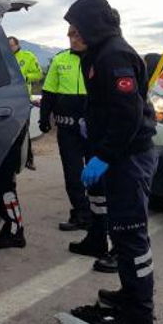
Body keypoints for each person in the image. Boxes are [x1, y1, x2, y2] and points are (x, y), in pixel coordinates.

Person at [65, 0, 158, 324]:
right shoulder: (97, 54)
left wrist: (102, 156)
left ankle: (138, 313)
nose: (70, 36)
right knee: (121, 234)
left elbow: (127, 113)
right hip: (120, 156)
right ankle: (130, 294)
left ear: (92, 26)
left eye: (75, 30)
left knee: (131, 235)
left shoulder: (114, 55)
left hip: (129, 159)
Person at [39, 44, 91, 231]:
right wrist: (44, 117)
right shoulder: (60, 59)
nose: (72, 38)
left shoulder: (99, 58)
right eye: (70, 34)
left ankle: (101, 215)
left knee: (98, 174)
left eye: (76, 34)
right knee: (72, 173)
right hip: (67, 128)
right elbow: (49, 91)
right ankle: (81, 213)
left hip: (93, 128)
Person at [9, 36, 42, 170]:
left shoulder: (28, 56)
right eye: (8, 45)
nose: (10, 48)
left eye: (12, 45)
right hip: (6, 99)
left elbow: (38, 74)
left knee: (23, 129)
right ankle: (12, 160)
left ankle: (29, 159)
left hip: (22, 98)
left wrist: (26, 77)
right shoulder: (2, 56)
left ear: (17, 45)